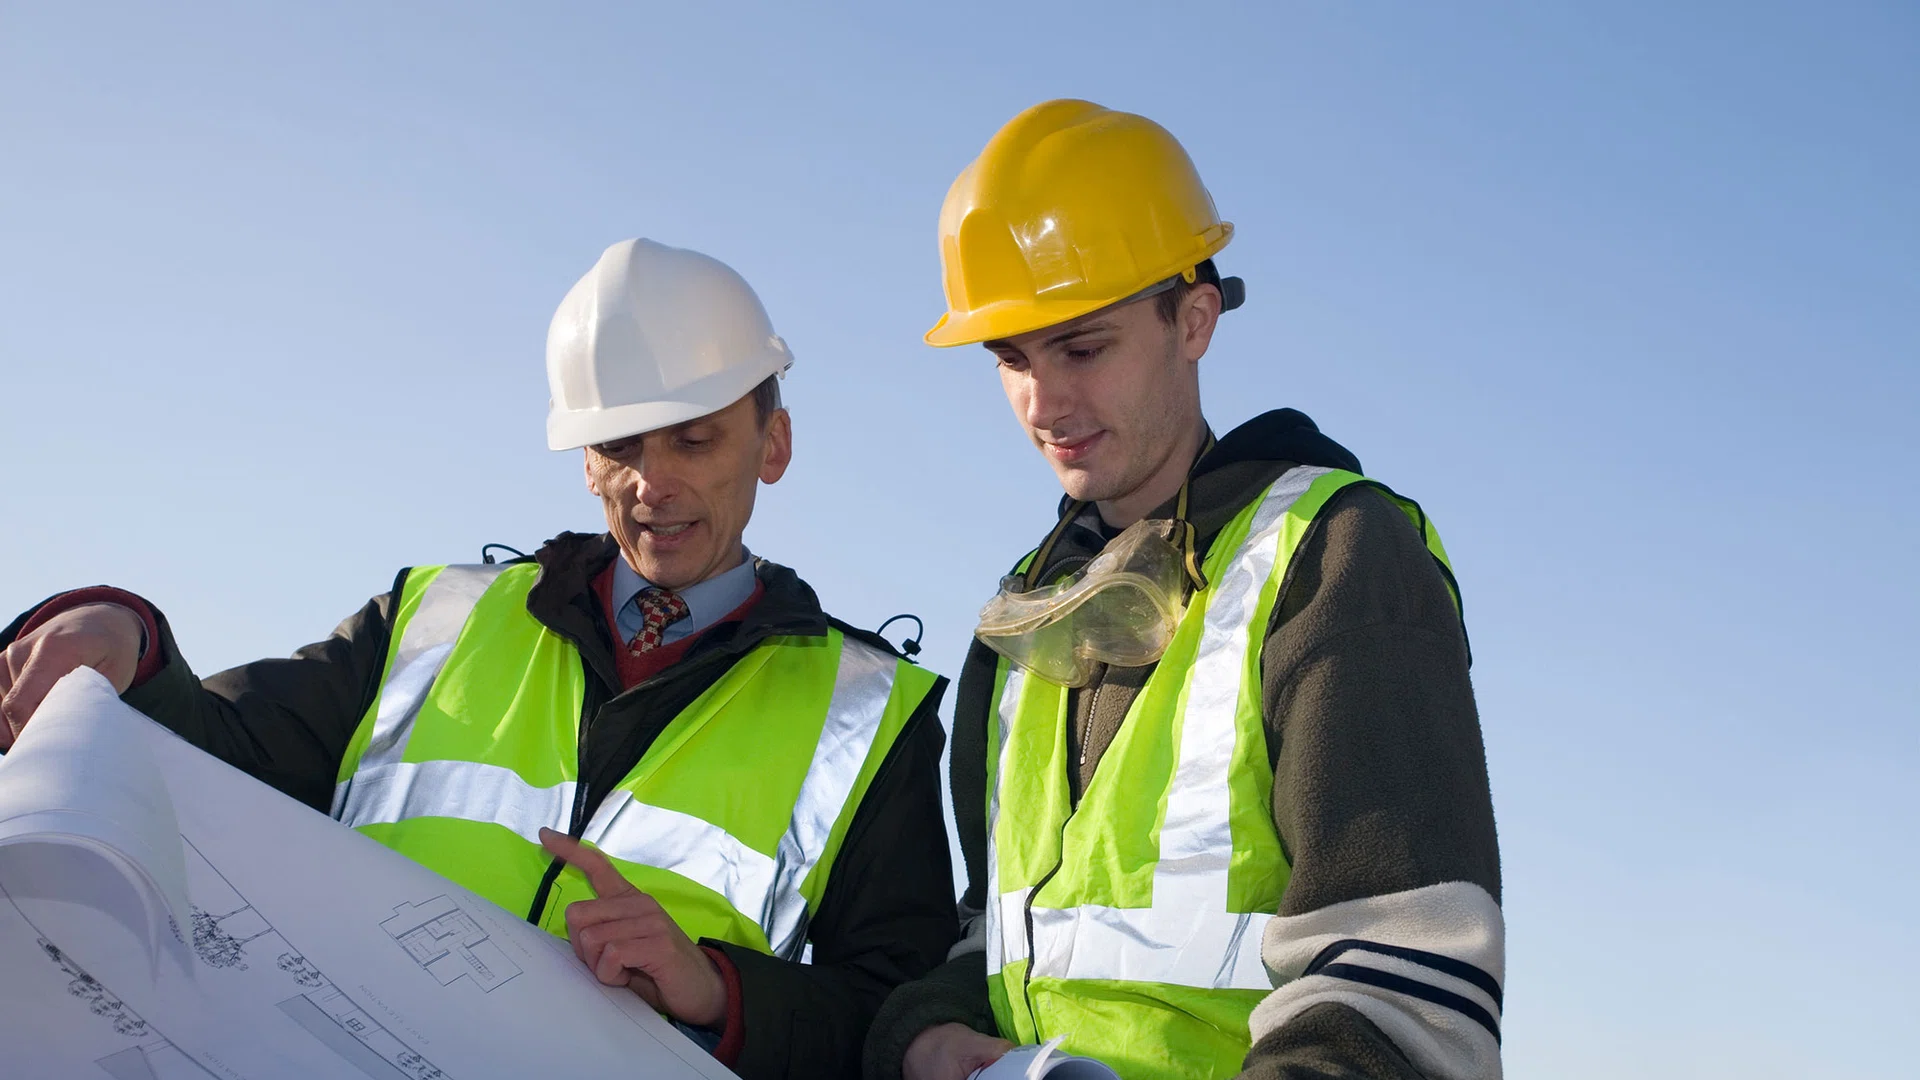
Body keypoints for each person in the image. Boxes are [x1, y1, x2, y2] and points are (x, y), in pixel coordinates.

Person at [1, 238, 958, 1080]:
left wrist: (716, 990)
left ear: (773, 443)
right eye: (616, 444)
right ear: (583, 458)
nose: (650, 483)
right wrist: (127, 637)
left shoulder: (872, 713)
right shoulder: (431, 621)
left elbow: (895, 1020)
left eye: (696, 439)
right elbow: (208, 758)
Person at [864, 101, 1503, 1080]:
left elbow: (1404, 999)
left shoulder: (1333, 557)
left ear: (1192, 318)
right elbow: (998, 941)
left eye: (1081, 348)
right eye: (1011, 360)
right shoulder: (1022, 625)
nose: (1043, 403)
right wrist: (925, 1036)